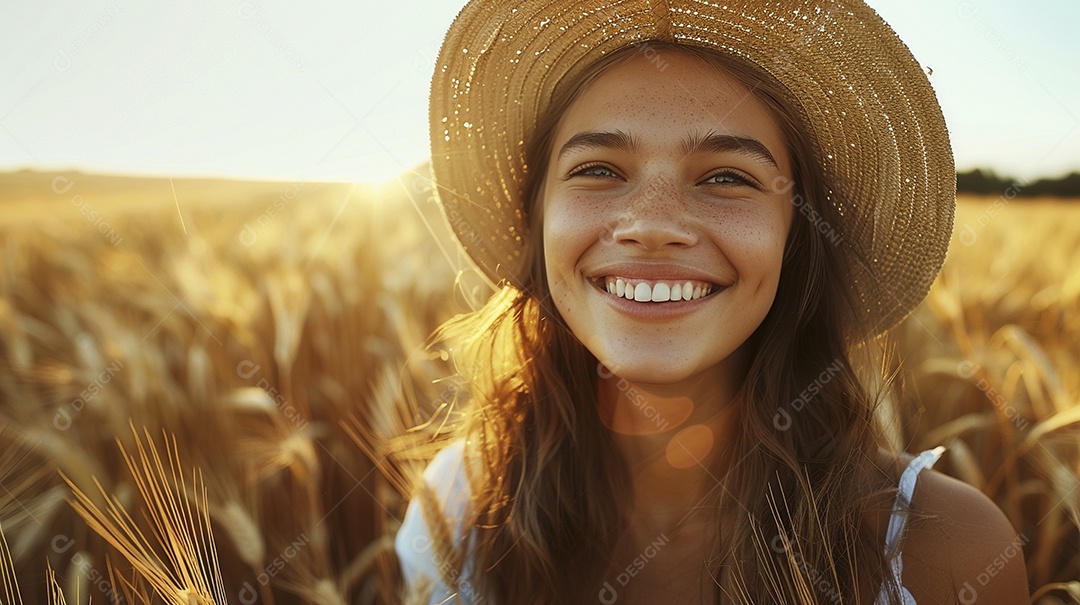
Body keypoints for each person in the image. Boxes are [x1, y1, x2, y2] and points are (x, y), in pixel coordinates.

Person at [393, 0, 1030, 603]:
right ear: (538, 221)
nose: (651, 225)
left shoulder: (945, 552)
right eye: (598, 169)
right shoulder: (456, 512)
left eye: (727, 176)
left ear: (796, 237)